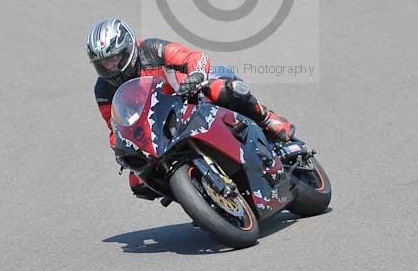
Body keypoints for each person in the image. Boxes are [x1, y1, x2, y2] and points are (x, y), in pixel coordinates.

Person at [87, 18, 295, 198]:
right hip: (157, 127)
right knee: (138, 181)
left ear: (129, 48)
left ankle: (267, 119)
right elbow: (114, 126)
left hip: (189, 95)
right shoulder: (103, 90)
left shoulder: (150, 49)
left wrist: (195, 76)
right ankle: (200, 195)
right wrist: (121, 148)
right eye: (104, 63)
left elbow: (193, 57)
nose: (111, 67)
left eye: (115, 59)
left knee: (228, 90)